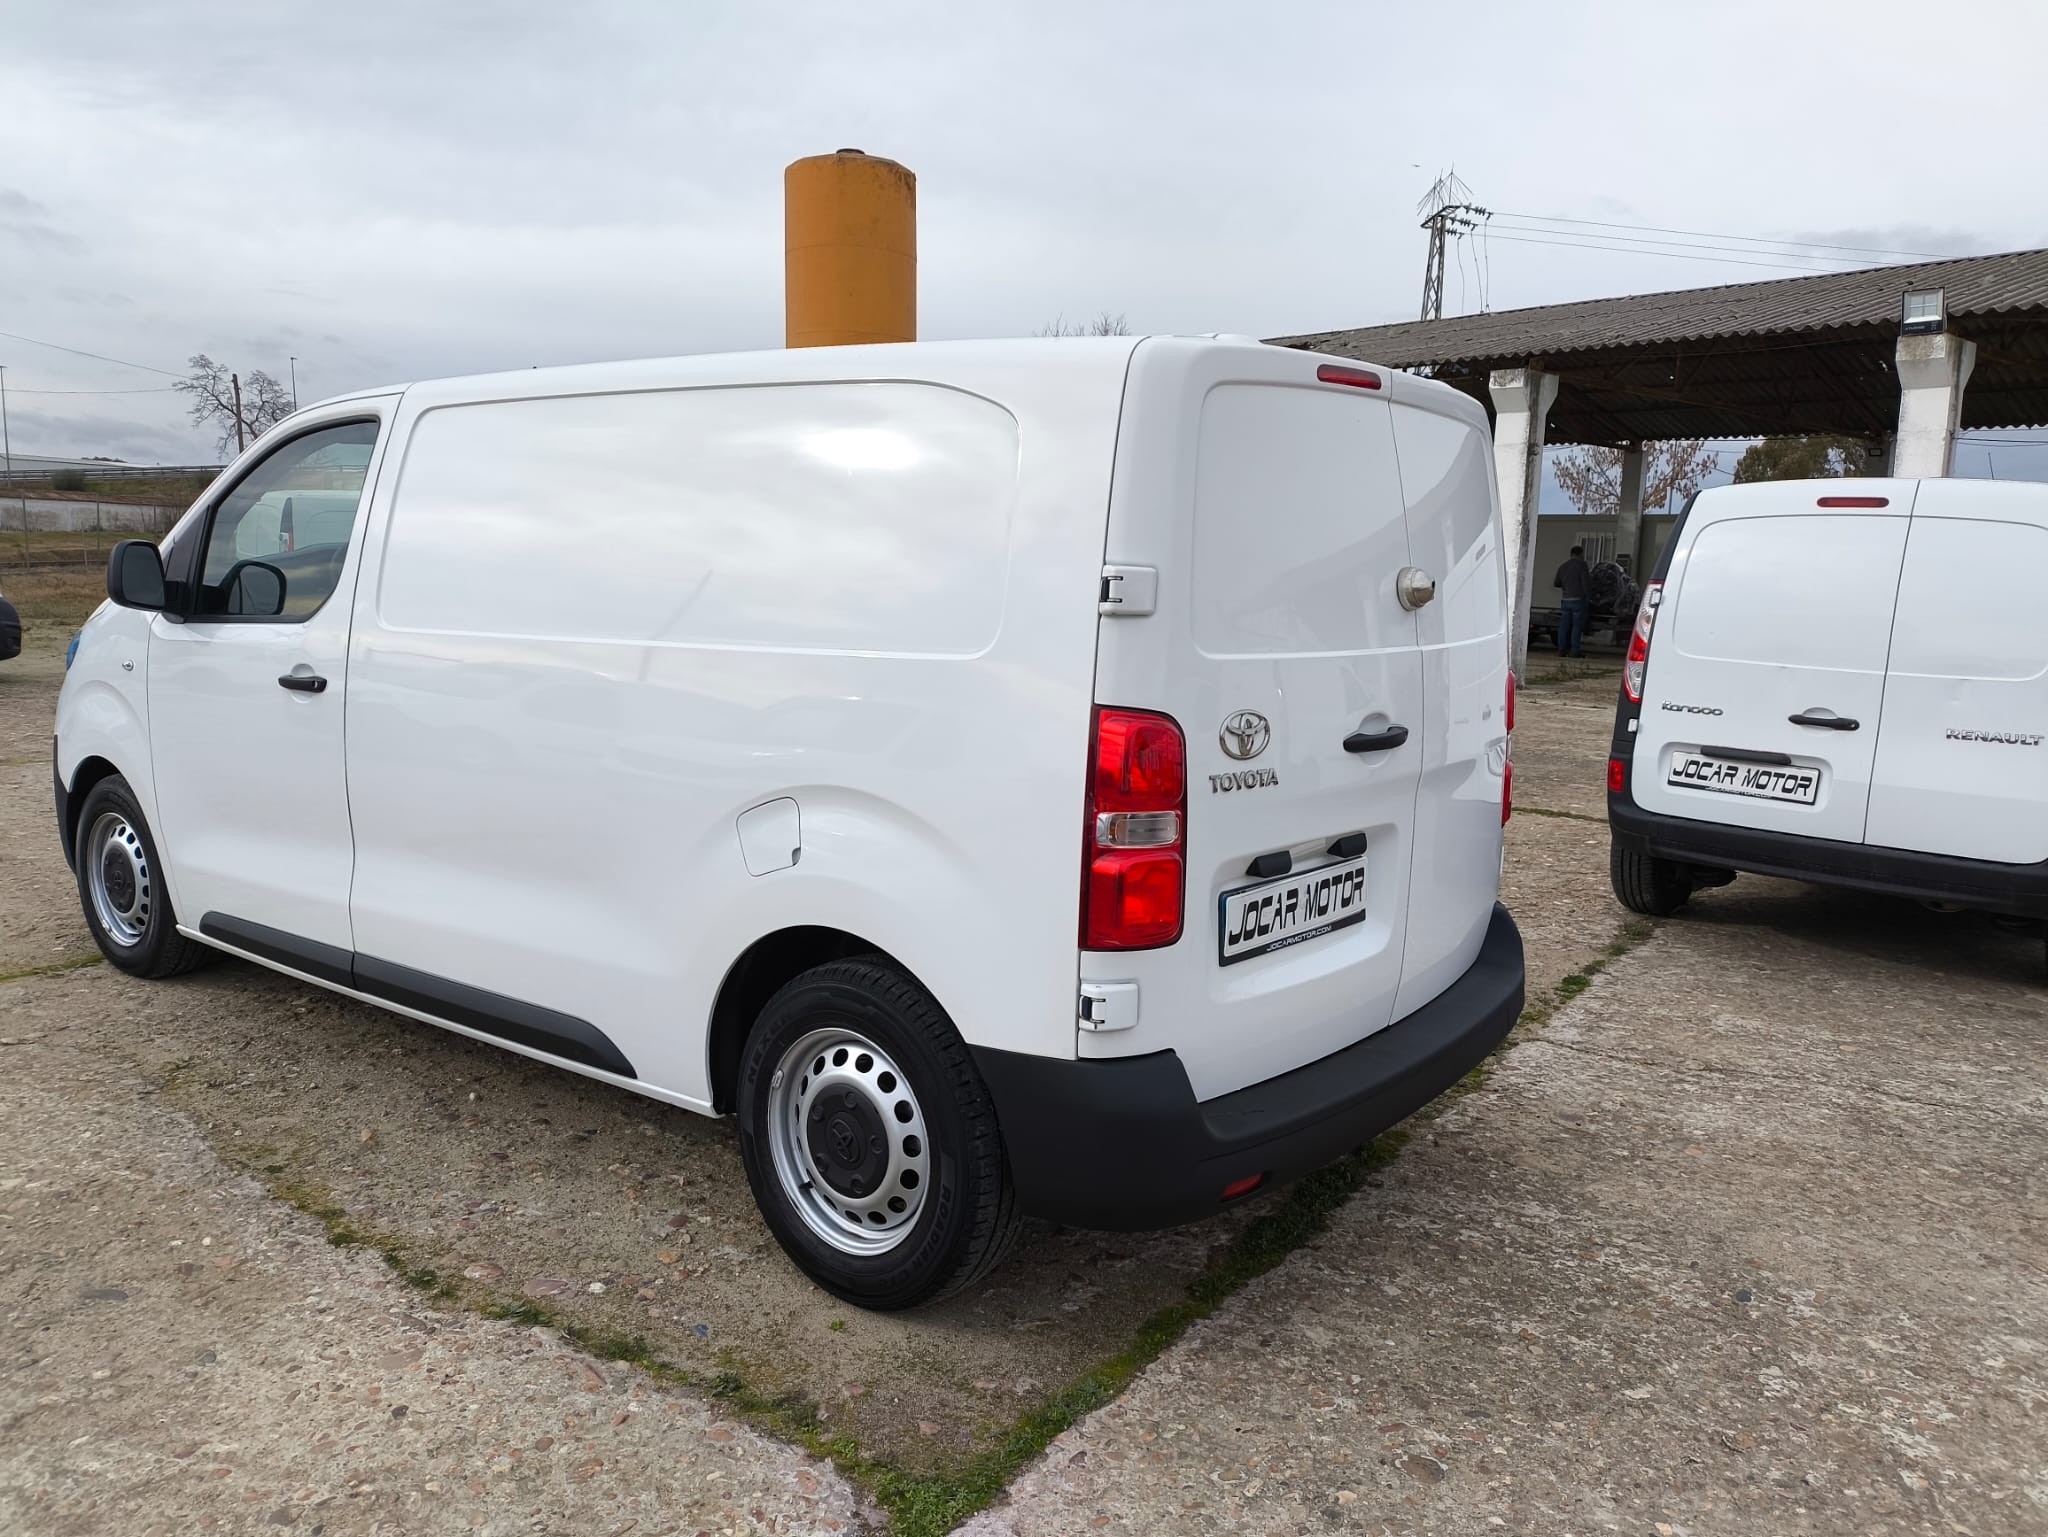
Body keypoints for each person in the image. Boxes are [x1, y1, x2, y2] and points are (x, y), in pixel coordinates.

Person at [1553, 544, 1591, 658]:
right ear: (1580, 554)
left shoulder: (1563, 566)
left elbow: (1556, 583)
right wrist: (1588, 598)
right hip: (1578, 600)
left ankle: (1561, 650)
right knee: (1576, 626)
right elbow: (1585, 584)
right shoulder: (1582, 566)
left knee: (1564, 625)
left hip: (1565, 600)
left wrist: (1566, 585)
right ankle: (1575, 650)